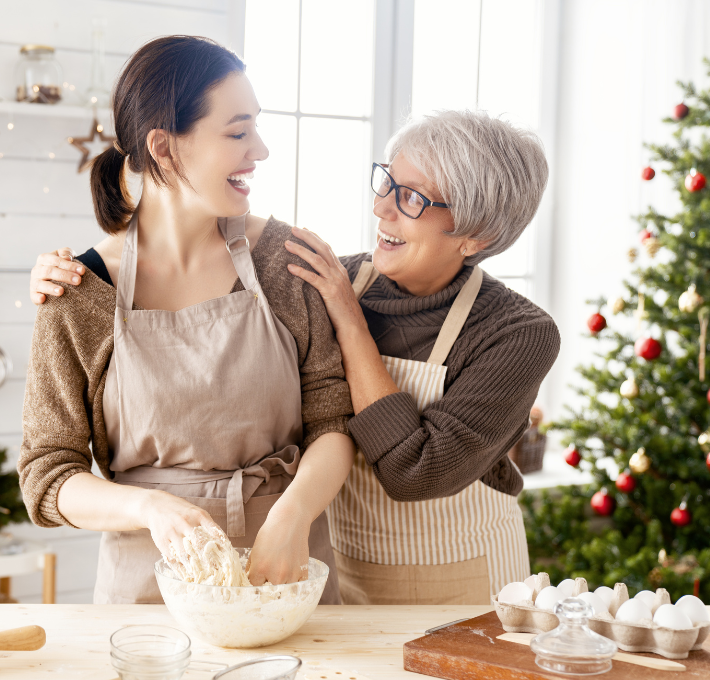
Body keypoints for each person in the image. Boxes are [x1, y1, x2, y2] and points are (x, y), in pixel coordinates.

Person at [30, 109, 559, 606]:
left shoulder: (518, 334)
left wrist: (349, 319)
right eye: (386, 183)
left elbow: (414, 471)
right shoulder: (325, 275)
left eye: (413, 198)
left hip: (460, 579)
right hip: (333, 567)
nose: (382, 209)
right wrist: (72, 276)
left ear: (477, 235)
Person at [18, 35, 355, 606]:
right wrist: (146, 507)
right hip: (149, 597)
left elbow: (334, 424)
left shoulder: (283, 262)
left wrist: (292, 514)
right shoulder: (80, 292)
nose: (261, 150)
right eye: (238, 132)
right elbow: (48, 475)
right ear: (165, 148)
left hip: (288, 580)